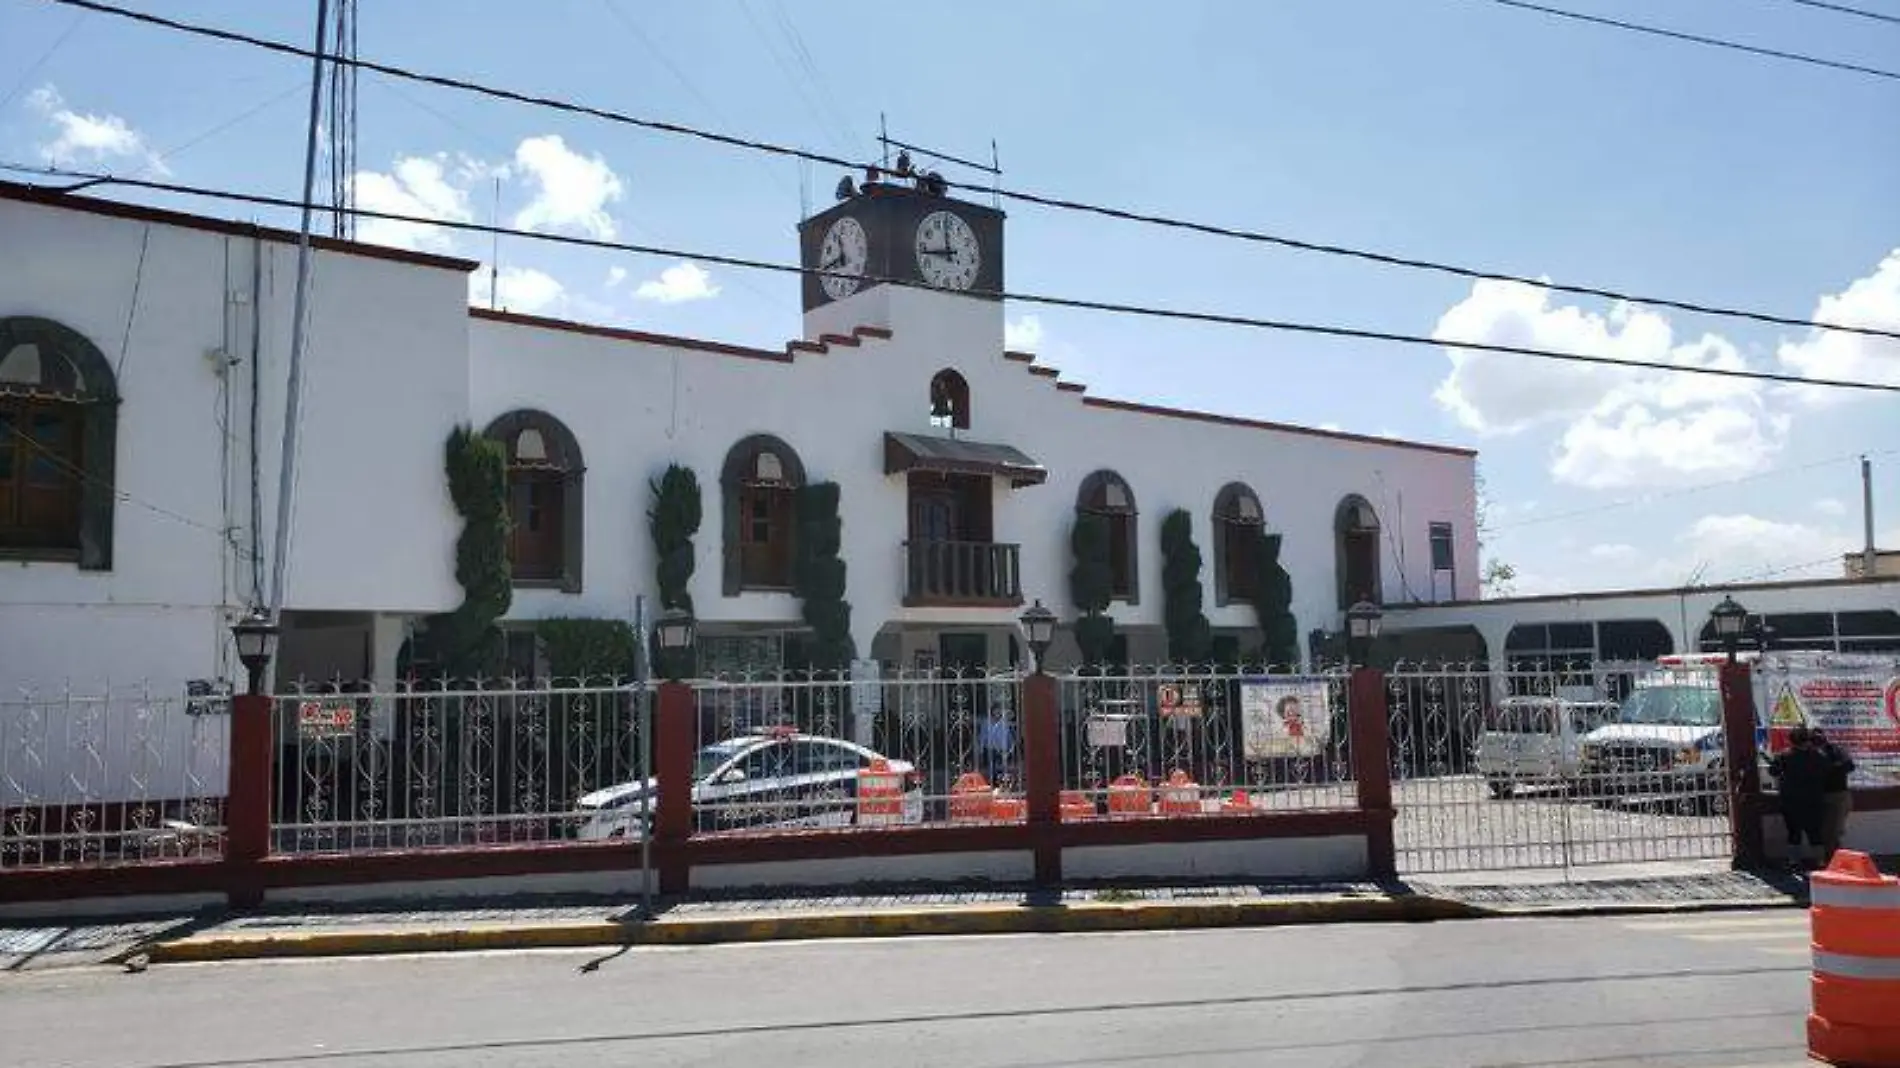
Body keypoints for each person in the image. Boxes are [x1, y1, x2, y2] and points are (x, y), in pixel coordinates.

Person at [1768, 727, 1831, 871]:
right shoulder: (1818, 756)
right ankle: (1820, 861)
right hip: (1814, 800)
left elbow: (1773, 771)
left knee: (1793, 832)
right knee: (1815, 832)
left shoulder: (1784, 756)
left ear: (1791, 740)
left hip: (1791, 800)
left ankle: (1793, 861)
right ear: (1808, 740)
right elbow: (1827, 771)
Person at [1812, 727, 1856, 864]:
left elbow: (1849, 765)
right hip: (1819, 796)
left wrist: (1828, 768)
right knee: (1825, 832)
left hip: (1837, 795)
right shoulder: (1811, 753)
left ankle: (1834, 862)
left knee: (1833, 832)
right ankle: (1835, 861)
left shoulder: (1836, 751)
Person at [978, 702, 1013, 787]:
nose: (997, 713)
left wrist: (1010, 748)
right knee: (992, 766)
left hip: (1002, 748)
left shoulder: (1004, 722)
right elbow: (983, 736)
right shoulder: (986, 722)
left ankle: (1003, 784)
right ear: (992, 711)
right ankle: (994, 783)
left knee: (1002, 767)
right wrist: (981, 749)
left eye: (999, 711)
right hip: (990, 748)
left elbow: (1008, 735)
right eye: (996, 711)